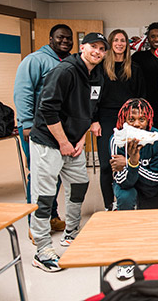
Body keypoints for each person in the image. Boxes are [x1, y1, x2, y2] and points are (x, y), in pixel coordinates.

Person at [29, 32, 107, 272]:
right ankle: (42, 250)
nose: (97, 52)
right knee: (44, 196)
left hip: (73, 142)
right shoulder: (65, 72)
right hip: (48, 141)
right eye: (93, 46)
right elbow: (48, 110)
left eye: (102, 49)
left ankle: (71, 233)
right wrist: (63, 142)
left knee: (80, 185)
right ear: (82, 47)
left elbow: (88, 111)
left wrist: (80, 139)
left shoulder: (97, 75)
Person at [13, 24, 72, 235]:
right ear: (50, 39)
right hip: (36, 128)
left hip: (58, 128)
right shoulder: (35, 60)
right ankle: (35, 224)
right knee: (39, 176)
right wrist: (27, 123)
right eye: (60, 38)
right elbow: (23, 92)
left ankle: (52, 216)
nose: (65, 41)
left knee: (53, 174)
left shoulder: (69, 62)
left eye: (68, 38)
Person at [93, 29, 145, 211]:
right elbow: (93, 98)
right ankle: (109, 204)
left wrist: (141, 122)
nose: (119, 44)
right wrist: (94, 121)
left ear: (127, 44)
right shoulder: (100, 68)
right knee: (108, 163)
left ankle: (130, 200)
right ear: (110, 43)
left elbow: (141, 98)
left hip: (129, 120)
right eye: (116, 40)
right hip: (106, 118)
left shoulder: (135, 68)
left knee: (131, 160)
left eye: (123, 40)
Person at [110, 98, 158, 211]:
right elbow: (122, 181)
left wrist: (130, 163)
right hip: (127, 186)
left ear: (148, 121)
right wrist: (133, 163)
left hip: (149, 187)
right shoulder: (117, 140)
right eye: (131, 120)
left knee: (150, 221)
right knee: (126, 196)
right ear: (124, 121)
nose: (136, 124)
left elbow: (156, 178)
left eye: (142, 120)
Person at [131, 22, 158, 134]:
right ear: (148, 39)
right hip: (144, 112)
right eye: (153, 36)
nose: (157, 39)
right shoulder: (138, 57)